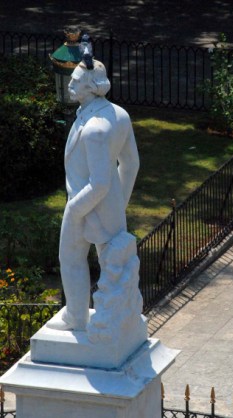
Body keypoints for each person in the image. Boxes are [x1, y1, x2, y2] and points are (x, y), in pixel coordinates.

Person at [47, 56, 140, 331]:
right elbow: (131, 164)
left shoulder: (95, 129)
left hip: (85, 204)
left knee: (72, 258)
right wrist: (119, 203)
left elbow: (98, 183)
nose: (70, 85)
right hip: (109, 205)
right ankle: (117, 318)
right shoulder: (120, 114)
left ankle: (77, 317)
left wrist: (75, 209)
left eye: (75, 81)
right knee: (114, 264)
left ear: (91, 87)